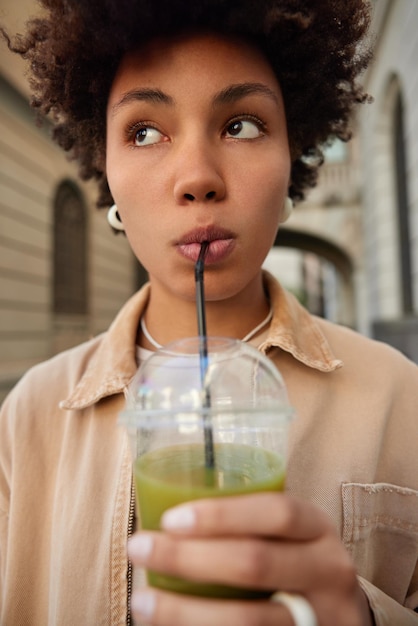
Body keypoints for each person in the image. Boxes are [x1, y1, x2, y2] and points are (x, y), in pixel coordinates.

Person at [1, 1, 418, 625]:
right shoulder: (27, 419)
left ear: (293, 155)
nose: (198, 178)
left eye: (243, 125)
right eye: (144, 132)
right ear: (104, 168)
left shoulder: (402, 401)